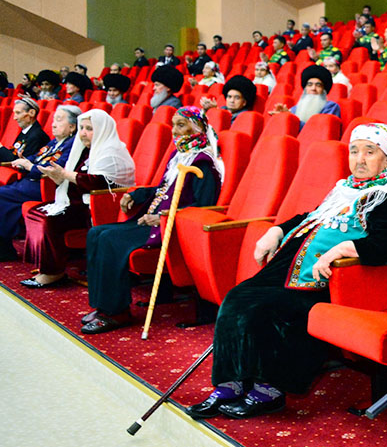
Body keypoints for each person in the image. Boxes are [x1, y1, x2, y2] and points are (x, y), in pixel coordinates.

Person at [185, 123, 387, 419]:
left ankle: (270, 391)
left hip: (322, 282)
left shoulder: (386, 197)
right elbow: (312, 217)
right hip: (287, 269)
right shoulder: (346, 189)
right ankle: (231, 385)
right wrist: (277, 230)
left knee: (264, 308)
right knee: (238, 298)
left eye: (370, 152)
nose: (359, 159)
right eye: (354, 151)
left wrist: (342, 250)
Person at [81, 107, 223, 334]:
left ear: (198, 128)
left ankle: (117, 312)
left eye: (181, 125)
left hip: (169, 227)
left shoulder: (204, 163)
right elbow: (162, 190)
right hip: (151, 218)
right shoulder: (179, 155)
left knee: (109, 239)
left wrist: (161, 218)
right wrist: (135, 194)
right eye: (173, 125)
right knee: (96, 233)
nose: (175, 131)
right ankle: (103, 307)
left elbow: (203, 206)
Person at [20, 110, 136, 288]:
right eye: (81, 128)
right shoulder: (83, 151)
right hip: (75, 201)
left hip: (97, 206)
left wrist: (64, 174)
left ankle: (53, 272)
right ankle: (44, 266)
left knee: (48, 221)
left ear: (102, 130)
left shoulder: (111, 151)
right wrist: (56, 176)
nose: (83, 133)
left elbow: (99, 182)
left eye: (89, 128)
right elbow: (71, 180)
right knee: (35, 212)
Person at [0, 105, 80, 260]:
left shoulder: (72, 145)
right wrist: (23, 161)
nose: (53, 124)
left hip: (44, 186)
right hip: (30, 182)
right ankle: (4, 246)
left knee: (2, 195)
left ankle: (4, 248)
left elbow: (56, 168)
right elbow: (36, 157)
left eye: (59, 120)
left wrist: (31, 167)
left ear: (72, 126)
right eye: (53, 120)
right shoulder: (54, 142)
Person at [269, 64, 341, 124]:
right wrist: (282, 116)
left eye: (318, 85)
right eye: (309, 85)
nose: (313, 88)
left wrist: (290, 118)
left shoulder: (331, 107)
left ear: (324, 90)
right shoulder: (296, 108)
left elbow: (320, 130)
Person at [0, 97, 50, 164]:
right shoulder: (27, 131)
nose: (15, 118)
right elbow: (13, 153)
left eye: (18, 113)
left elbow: (18, 162)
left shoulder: (36, 136)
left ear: (31, 113)